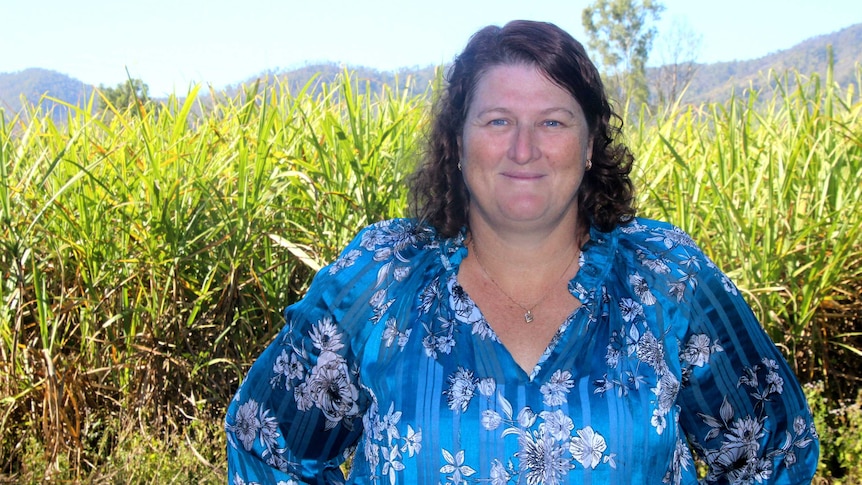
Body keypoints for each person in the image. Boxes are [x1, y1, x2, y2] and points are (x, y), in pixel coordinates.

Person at [225, 20, 819, 484]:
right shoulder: (380, 280)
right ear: (456, 143)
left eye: (554, 122)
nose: (524, 149)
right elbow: (266, 442)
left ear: (590, 145)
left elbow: (773, 448)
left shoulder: (666, 278)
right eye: (497, 120)